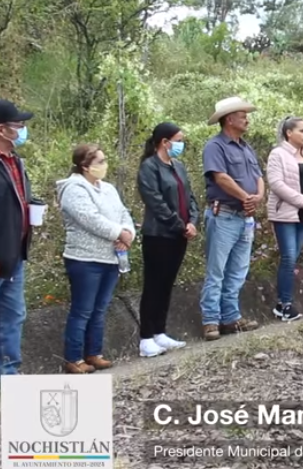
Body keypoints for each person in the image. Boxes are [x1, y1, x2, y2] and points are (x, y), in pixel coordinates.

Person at [56, 144, 135, 374]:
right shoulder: (73, 188)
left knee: (100, 309)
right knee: (82, 310)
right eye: (99, 162)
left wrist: (128, 234)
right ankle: (73, 358)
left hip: (110, 257)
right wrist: (118, 233)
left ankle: (94, 353)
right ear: (85, 166)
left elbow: (123, 214)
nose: (104, 165)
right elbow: (89, 218)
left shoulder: (108, 188)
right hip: (84, 259)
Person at [199, 97, 263, 340]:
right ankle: (210, 320)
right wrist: (246, 197)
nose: (247, 118)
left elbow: (258, 176)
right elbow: (220, 177)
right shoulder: (215, 146)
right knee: (217, 270)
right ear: (228, 119)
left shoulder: (246, 147)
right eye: (242, 114)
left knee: (238, 270)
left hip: (244, 216)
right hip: (224, 214)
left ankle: (230, 317)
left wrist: (257, 197)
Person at [136, 122, 199, 358]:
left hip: (179, 235)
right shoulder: (149, 167)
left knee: (166, 284)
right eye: (178, 140)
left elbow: (190, 196)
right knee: (153, 284)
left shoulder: (178, 166)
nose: (181, 144)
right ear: (165, 142)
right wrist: (179, 225)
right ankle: (145, 337)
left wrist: (193, 220)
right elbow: (156, 202)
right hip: (158, 234)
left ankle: (160, 331)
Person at [267, 116, 303, 322]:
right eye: (301, 130)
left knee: (293, 258)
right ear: (289, 133)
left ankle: (282, 304)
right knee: (289, 257)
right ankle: (285, 304)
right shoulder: (278, 154)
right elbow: (276, 183)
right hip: (286, 214)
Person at [0, 99, 34, 375]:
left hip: (14, 255)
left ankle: (9, 374)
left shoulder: (16, 162)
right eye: (18, 125)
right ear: (2, 129)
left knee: (14, 316)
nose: (22, 130)